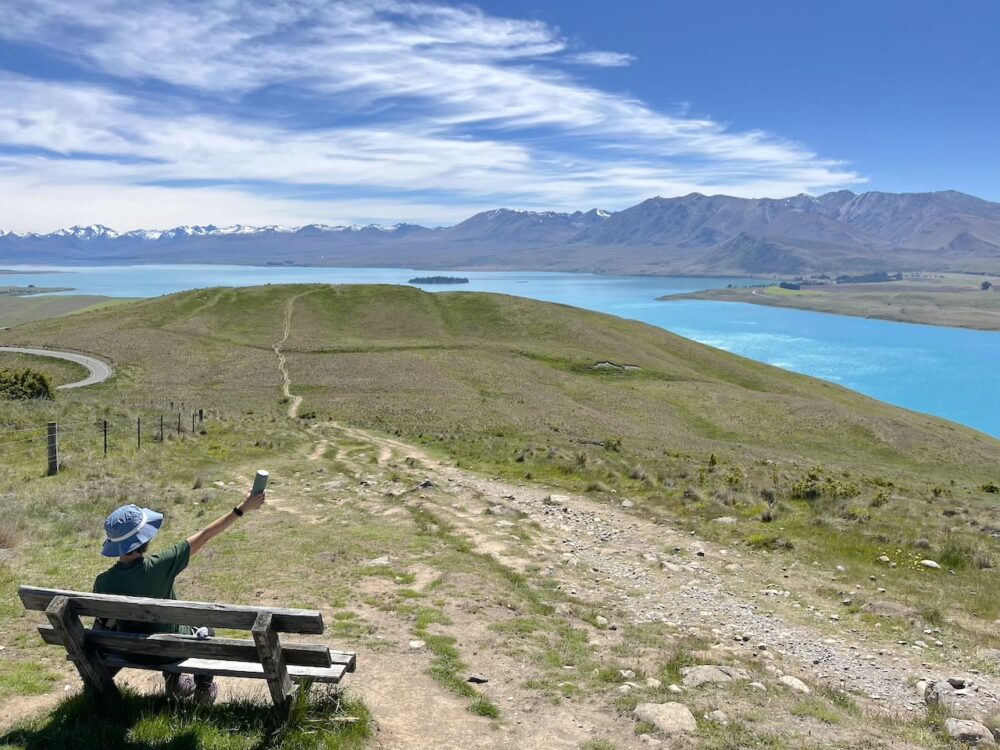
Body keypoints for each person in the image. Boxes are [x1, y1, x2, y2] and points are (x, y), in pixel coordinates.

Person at [94, 489, 266, 703]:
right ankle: (204, 687)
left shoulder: (103, 582)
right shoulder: (160, 565)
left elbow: (104, 623)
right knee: (206, 628)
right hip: (170, 649)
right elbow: (205, 535)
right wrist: (242, 508)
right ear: (144, 537)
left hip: (131, 652)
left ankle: (176, 681)